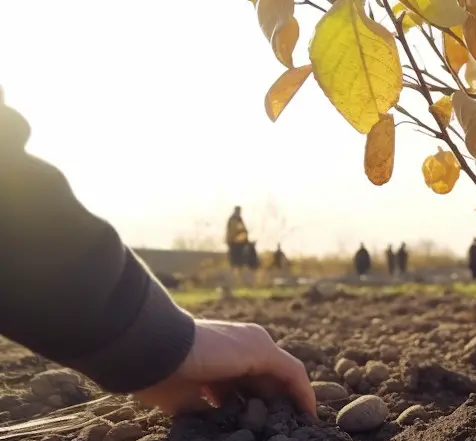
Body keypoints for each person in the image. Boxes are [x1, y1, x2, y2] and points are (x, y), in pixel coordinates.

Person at [0, 90, 315, 416]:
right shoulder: (233, 223)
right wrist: (155, 335)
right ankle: (237, 281)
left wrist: (150, 337)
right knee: (238, 264)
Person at [226, 206, 249, 270]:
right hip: (234, 241)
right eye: (238, 210)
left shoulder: (239, 218)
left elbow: (243, 228)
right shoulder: (233, 219)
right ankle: (235, 266)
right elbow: (234, 229)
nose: (239, 212)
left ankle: (239, 265)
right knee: (234, 255)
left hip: (239, 241)